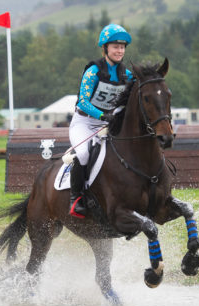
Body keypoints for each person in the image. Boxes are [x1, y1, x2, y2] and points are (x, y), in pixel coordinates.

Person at [68, 23, 134, 219]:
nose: (119, 50)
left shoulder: (127, 75)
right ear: (105, 48)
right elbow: (83, 102)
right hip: (85, 122)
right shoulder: (93, 72)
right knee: (83, 154)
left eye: (122, 47)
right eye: (115, 46)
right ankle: (76, 197)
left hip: (109, 125)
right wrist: (103, 116)